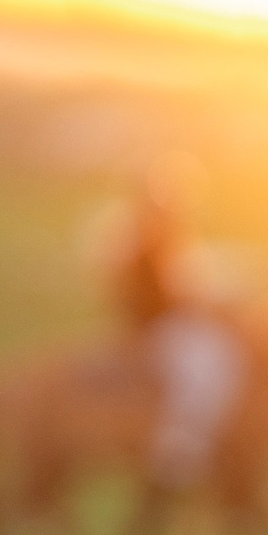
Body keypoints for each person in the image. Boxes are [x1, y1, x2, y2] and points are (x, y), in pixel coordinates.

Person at [108, 163, 246, 489]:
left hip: (162, 320)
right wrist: (207, 303)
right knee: (208, 363)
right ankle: (180, 445)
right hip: (158, 325)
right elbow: (172, 288)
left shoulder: (151, 233)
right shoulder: (148, 236)